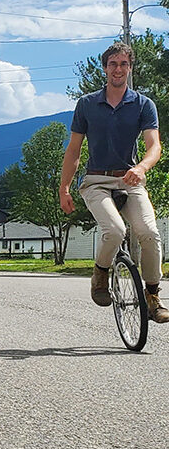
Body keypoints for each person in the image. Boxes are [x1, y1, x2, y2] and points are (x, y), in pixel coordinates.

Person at [59, 41, 168, 322]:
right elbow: (73, 151)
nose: (118, 69)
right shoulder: (86, 104)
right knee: (115, 230)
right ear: (105, 68)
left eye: (123, 64)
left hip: (130, 180)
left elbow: (154, 146)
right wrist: (64, 188)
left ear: (130, 69)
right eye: (113, 64)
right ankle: (100, 274)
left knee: (149, 233)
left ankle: (153, 295)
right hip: (96, 181)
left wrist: (142, 168)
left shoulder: (143, 104)